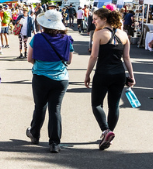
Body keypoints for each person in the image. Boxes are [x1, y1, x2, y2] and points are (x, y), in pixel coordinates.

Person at [84, 8, 134, 151]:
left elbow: (94, 56)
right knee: (114, 105)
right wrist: (131, 76)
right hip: (119, 74)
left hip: (103, 73)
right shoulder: (124, 35)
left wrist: (87, 74)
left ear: (104, 19)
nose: (93, 21)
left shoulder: (98, 34)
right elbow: (127, 58)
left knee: (96, 105)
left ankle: (106, 131)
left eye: (96, 19)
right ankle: (109, 133)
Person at [26, 9, 72, 153]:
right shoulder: (67, 39)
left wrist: (42, 63)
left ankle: (34, 134)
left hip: (40, 76)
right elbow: (69, 60)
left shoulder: (37, 38)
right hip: (61, 78)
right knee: (55, 109)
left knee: (39, 106)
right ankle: (54, 142)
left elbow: (30, 59)